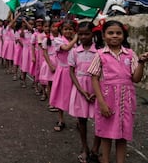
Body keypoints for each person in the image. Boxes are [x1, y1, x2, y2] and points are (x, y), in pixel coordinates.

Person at [88, 20, 148, 163]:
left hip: (125, 101)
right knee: (106, 135)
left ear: (124, 35)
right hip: (107, 100)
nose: (114, 36)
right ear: (103, 36)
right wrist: (101, 103)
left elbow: (136, 79)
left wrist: (141, 62)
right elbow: (94, 79)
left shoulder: (130, 54)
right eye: (110, 33)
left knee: (123, 135)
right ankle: (105, 160)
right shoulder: (100, 55)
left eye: (118, 33)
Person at [68, 22, 101, 163]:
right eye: (80, 34)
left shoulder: (99, 51)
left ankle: (95, 149)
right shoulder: (74, 51)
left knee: (100, 120)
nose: (83, 36)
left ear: (93, 34)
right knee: (81, 120)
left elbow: (103, 72)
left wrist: (96, 92)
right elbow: (72, 72)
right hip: (80, 88)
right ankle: (85, 147)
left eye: (86, 33)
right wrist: (81, 91)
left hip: (97, 88)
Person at [49, 20, 78, 132]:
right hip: (63, 72)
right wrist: (76, 38)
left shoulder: (77, 43)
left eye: (70, 29)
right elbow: (66, 48)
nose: (68, 31)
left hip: (75, 71)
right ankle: (61, 119)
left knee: (75, 96)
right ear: (61, 30)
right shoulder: (58, 40)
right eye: (65, 29)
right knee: (61, 96)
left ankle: (78, 120)